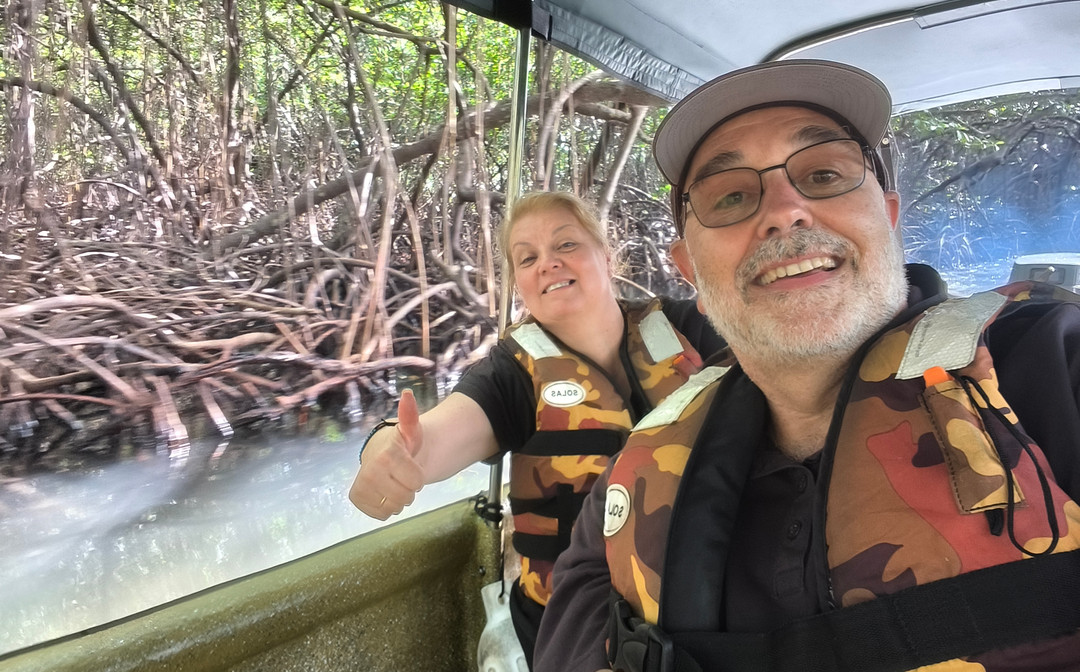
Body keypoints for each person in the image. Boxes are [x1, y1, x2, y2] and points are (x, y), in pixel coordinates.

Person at [534, 59, 1080, 672]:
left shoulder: (1053, 364)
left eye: (823, 175)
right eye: (732, 196)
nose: (786, 210)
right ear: (687, 267)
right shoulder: (635, 476)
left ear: (891, 217)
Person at [347, 190, 724, 668]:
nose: (547, 263)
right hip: (575, 624)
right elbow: (435, 437)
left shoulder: (686, 326)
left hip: (698, 599)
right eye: (528, 258)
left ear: (606, 257)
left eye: (566, 245)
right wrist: (389, 452)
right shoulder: (513, 375)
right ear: (520, 285)